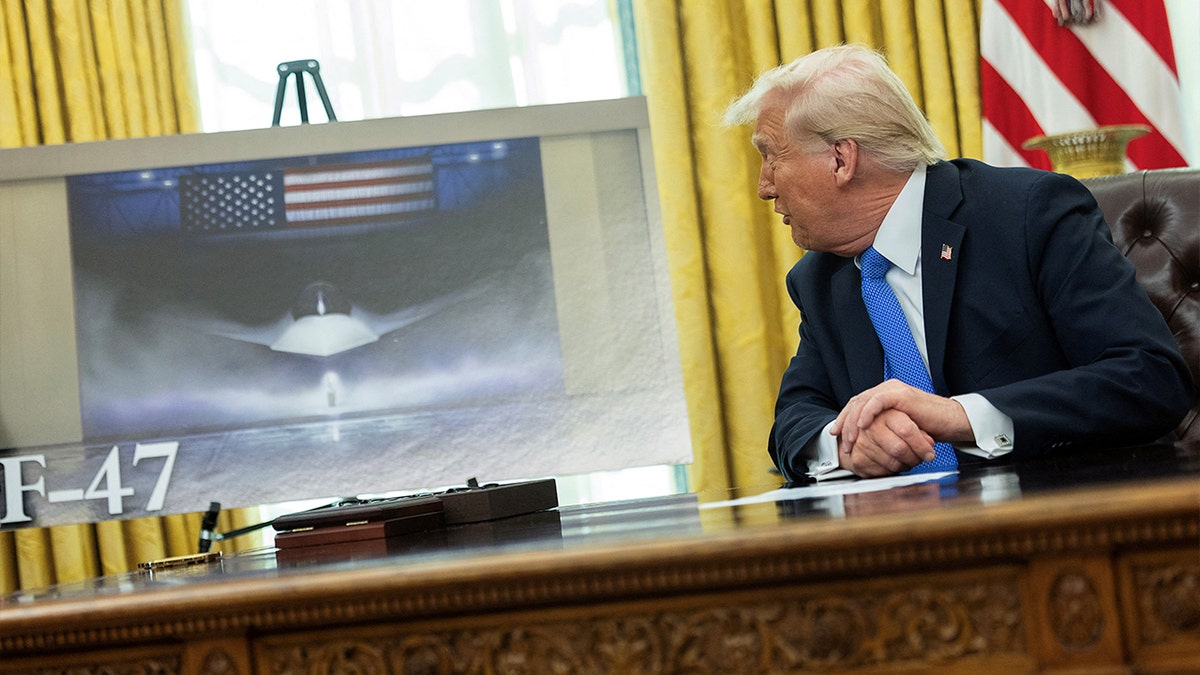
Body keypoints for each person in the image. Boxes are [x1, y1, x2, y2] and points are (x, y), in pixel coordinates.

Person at [723, 44, 1194, 482]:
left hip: (1069, 518)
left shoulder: (1029, 215)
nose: (765, 186)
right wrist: (844, 445)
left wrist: (960, 417)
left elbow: (1150, 376)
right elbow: (795, 417)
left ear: (841, 159)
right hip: (910, 540)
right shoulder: (820, 277)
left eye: (771, 156)